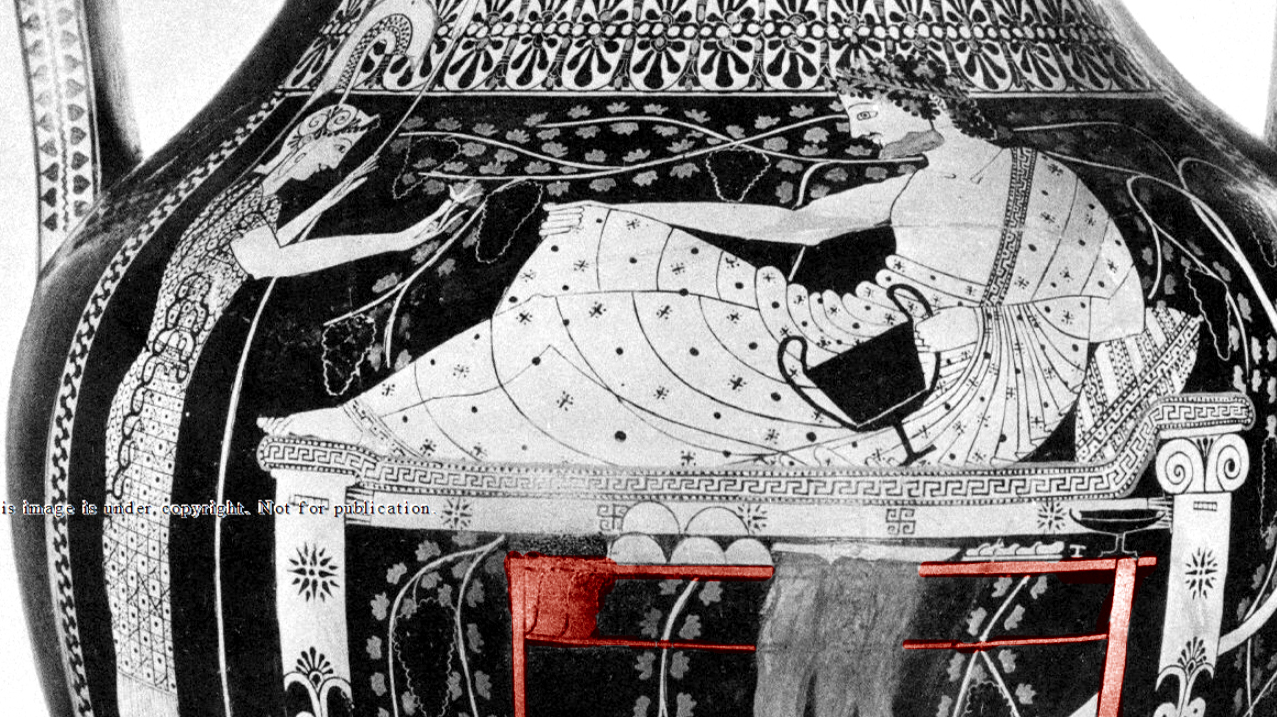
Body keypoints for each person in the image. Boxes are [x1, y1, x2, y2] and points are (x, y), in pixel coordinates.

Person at [262, 56, 1192, 472]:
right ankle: (390, 417)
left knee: (641, 320)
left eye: (867, 110)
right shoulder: (922, 181)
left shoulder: (1025, 176)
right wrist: (626, 209)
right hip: (875, 338)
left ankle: (400, 421)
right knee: (608, 257)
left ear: (926, 101)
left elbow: (1101, 298)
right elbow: (787, 224)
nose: (857, 130)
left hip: (965, 388)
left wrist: (975, 325)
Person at [104, 101, 455, 717]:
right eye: (331, 151)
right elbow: (274, 260)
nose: (332, 163)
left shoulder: (247, 196)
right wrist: (397, 237)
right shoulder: (243, 200)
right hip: (157, 401)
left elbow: (273, 239)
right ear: (309, 138)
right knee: (144, 608)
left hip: (160, 393)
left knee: (154, 608)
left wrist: (340, 195)